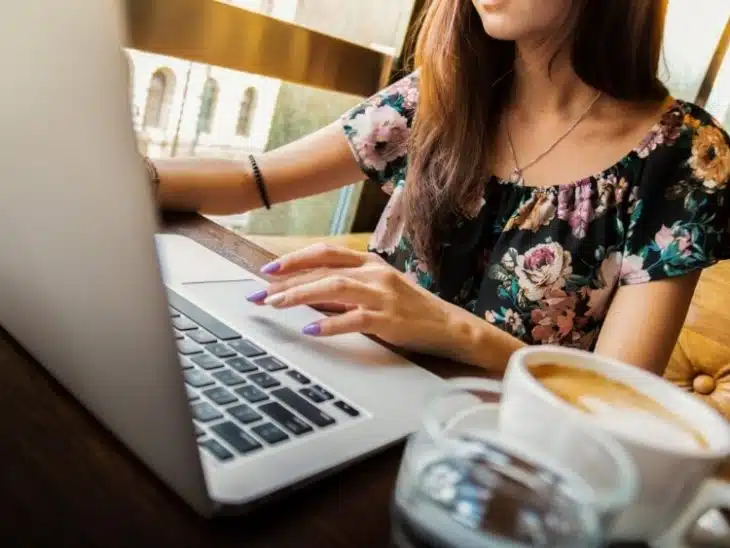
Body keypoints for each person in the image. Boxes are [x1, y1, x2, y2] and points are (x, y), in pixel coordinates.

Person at [146, 0, 730, 376]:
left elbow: (616, 400)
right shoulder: (443, 92)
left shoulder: (685, 157)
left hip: (509, 465)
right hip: (356, 386)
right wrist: (117, 173)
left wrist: (452, 330)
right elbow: (255, 180)